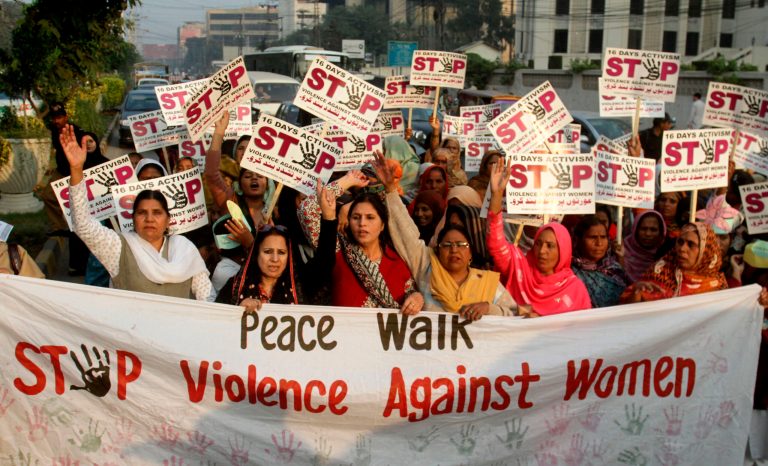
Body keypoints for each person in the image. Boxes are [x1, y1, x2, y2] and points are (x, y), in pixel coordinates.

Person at [60, 125, 213, 301]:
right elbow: (83, 225)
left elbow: (207, 298)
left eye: (157, 213)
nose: (149, 219)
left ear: (168, 220)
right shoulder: (119, 247)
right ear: (133, 219)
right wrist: (77, 169)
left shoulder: (185, 249)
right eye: (141, 212)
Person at [374, 152, 517, 319]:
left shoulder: (487, 283)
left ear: (470, 252)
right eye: (447, 245)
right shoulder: (426, 267)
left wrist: (489, 308)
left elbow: (514, 315)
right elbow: (406, 234)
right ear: (437, 250)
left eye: (461, 245)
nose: (454, 250)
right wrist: (391, 190)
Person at [486, 158, 591, 316]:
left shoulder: (575, 290)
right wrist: (497, 195)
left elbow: (586, 331)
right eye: (538, 244)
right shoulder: (518, 267)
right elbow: (495, 243)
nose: (542, 251)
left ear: (563, 251)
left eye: (550, 246)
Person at [312, 184, 425, 312]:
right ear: (348, 221)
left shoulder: (397, 261)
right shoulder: (337, 250)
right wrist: (349, 180)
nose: (362, 224)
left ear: (383, 224)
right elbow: (308, 210)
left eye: (370, 217)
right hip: (344, 331)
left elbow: (411, 294)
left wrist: (417, 297)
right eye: (356, 217)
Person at [620, 222, 728, 303]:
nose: (682, 248)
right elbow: (629, 313)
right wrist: (636, 293)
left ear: (705, 251)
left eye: (691, 244)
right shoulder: (660, 274)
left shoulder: (718, 285)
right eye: (680, 242)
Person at [216, 225, 299, 312]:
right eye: (267, 251)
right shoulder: (234, 286)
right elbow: (214, 321)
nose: (275, 259)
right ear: (256, 254)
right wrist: (238, 310)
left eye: (281, 252)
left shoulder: (298, 290)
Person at [571, 215, 630, 308]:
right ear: (578, 240)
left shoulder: (615, 269)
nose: (599, 243)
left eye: (603, 237)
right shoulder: (570, 274)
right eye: (592, 237)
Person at [620, 210, 667, 282]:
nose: (648, 234)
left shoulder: (667, 256)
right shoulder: (621, 250)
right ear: (635, 229)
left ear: (661, 232)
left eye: (653, 230)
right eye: (643, 229)